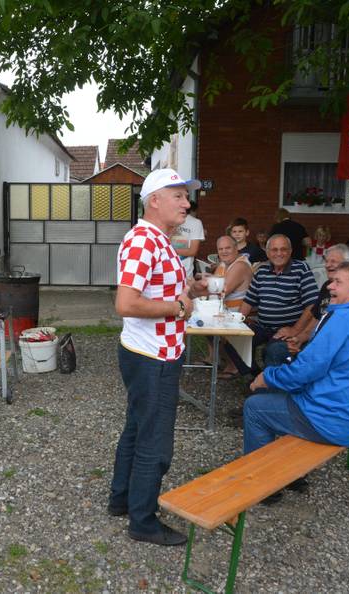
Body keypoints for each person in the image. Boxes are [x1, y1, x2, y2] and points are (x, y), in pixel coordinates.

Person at [243, 262, 349, 502]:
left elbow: (305, 371)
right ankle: (291, 472)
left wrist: (267, 377)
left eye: (338, 282)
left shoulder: (343, 320)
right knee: (283, 398)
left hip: (337, 421)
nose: (330, 286)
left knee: (255, 407)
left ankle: (262, 486)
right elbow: (318, 369)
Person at [108, 168, 198, 547]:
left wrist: (188, 290)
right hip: (153, 357)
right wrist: (178, 307)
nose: (187, 203)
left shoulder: (158, 240)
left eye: (186, 196)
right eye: (178, 195)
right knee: (155, 442)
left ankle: (121, 499)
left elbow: (155, 288)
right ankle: (143, 521)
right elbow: (126, 303)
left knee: (137, 427)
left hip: (150, 353)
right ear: (155, 200)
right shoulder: (144, 241)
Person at [223, 234, 319, 376]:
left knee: (271, 350)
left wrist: (295, 329)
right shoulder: (262, 272)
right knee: (233, 341)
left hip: (287, 328)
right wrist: (236, 323)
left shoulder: (301, 269)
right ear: (267, 253)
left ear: (290, 251)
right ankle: (256, 377)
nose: (279, 253)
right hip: (263, 327)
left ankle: (268, 382)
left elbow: (312, 304)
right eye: (274, 250)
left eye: (283, 249)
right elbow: (249, 301)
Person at [284, 244, 349, 354]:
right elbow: (317, 318)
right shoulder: (326, 286)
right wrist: (300, 338)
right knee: (277, 349)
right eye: (326, 261)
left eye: (333, 261)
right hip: (316, 342)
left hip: (336, 348)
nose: (327, 265)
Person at [198, 236, 253, 378]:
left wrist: (197, 285)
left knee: (206, 324)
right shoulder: (225, 263)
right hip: (224, 308)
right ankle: (219, 358)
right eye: (220, 249)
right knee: (202, 323)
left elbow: (220, 291)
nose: (224, 251)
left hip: (238, 311)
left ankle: (233, 365)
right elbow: (214, 286)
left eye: (227, 248)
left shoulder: (240, 265)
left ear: (236, 248)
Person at [171, 200, 205, 277]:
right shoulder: (168, 219)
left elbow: (192, 251)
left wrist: (169, 249)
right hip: (166, 271)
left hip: (185, 273)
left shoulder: (195, 222)